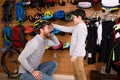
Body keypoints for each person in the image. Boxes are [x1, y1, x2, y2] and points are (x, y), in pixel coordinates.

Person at [53, 8, 88, 80]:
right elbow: (67, 29)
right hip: (75, 54)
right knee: (76, 73)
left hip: (78, 55)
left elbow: (80, 43)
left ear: (79, 17)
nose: (73, 19)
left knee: (80, 73)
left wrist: (75, 55)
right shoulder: (77, 27)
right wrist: (54, 26)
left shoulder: (81, 28)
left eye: (74, 17)